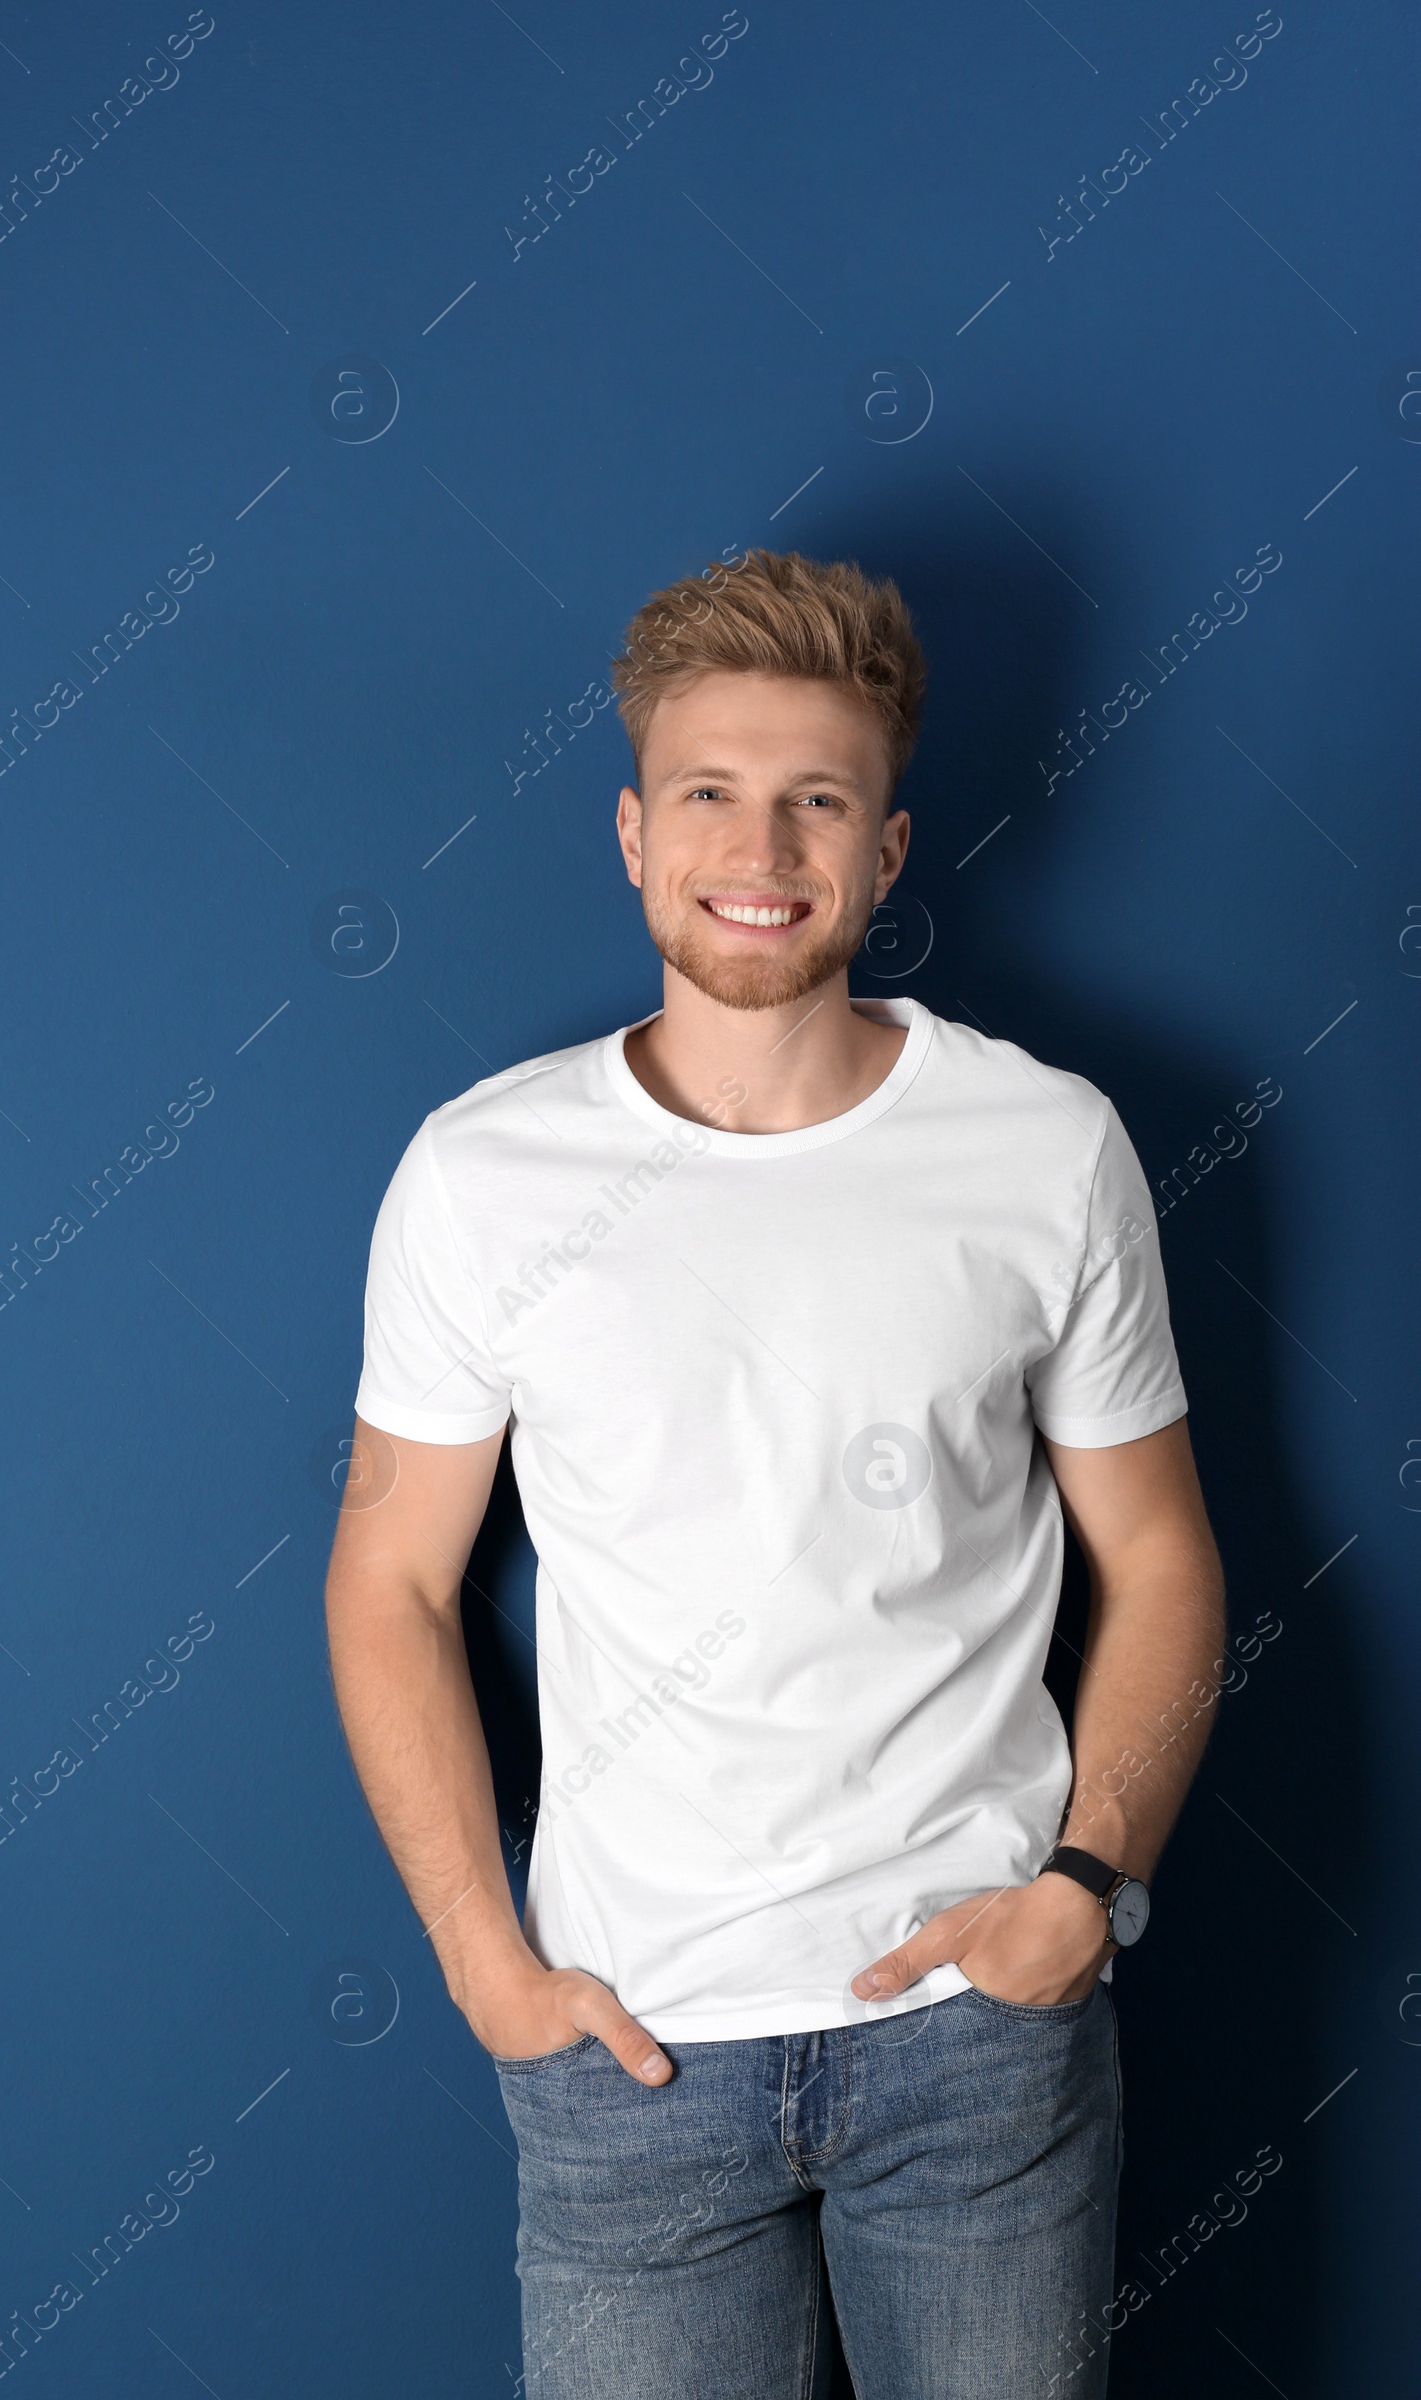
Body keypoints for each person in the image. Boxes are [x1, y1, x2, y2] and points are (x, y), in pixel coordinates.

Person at [323, 549, 1227, 2398]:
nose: (766, 844)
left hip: (978, 2037)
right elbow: (389, 1580)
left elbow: (1164, 1559)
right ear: (637, 838)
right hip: (629, 2055)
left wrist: (1085, 1885)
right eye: (715, 795)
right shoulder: (483, 1176)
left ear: (885, 856)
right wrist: (486, 1965)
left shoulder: (1046, 1150)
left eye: (821, 798)